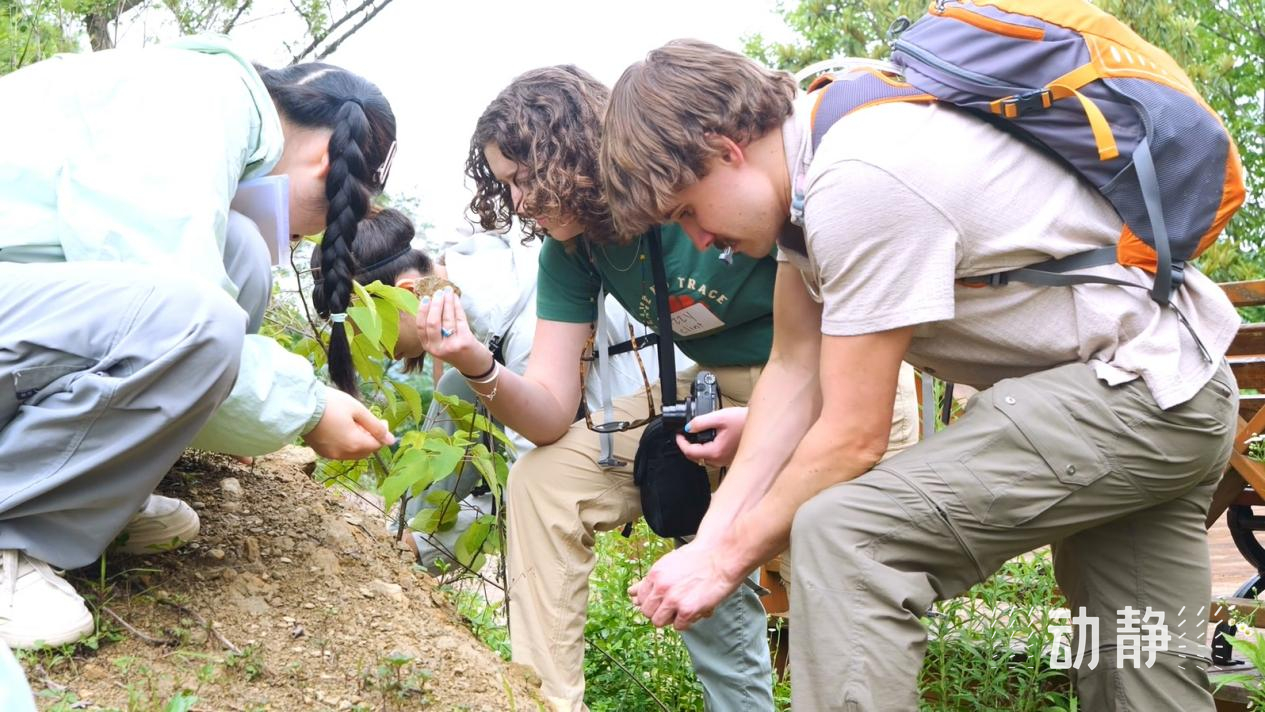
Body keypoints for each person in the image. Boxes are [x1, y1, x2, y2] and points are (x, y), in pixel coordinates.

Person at [598, 39, 1241, 711]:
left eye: (687, 213)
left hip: (1131, 396)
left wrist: (726, 561)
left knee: (847, 537)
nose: (698, 241)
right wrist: (712, 543)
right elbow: (792, 372)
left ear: (724, 150)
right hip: (1173, 397)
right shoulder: (814, 178)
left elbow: (851, 438)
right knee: (1140, 678)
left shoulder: (858, 177)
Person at [419, 65, 919, 711]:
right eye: (506, 185)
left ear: (569, 152)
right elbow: (545, 416)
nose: (519, 203)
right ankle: (541, 701)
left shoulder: (709, 195)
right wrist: (476, 366)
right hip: (710, 390)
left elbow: (818, 357)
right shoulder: (571, 253)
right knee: (544, 482)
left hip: (832, 383)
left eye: (524, 178)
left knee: (823, 555)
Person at [0, 35, 398, 649]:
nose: (293, 239)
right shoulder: (194, 99)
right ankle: (13, 527)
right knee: (198, 312)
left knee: (238, 253)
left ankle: (88, 486)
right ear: (326, 162)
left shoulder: (204, 98)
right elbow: (173, 298)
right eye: (314, 226)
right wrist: (309, 407)